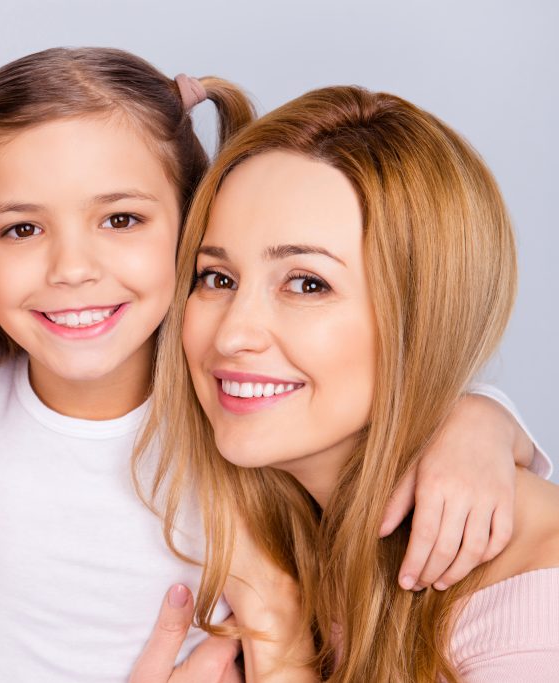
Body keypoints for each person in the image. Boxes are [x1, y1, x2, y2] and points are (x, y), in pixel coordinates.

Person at [0, 49, 547, 682]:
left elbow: (396, 381)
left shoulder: (226, 421)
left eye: (121, 220)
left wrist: (477, 419)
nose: (72, 269)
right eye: (21, 230)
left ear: (188, 225)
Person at [147, 84, 559, 680]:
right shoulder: (289, 523)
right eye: (217, 277)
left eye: (307, 284)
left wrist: (278, 636)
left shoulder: (535, 609)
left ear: (422, 320)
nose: (234, 334)